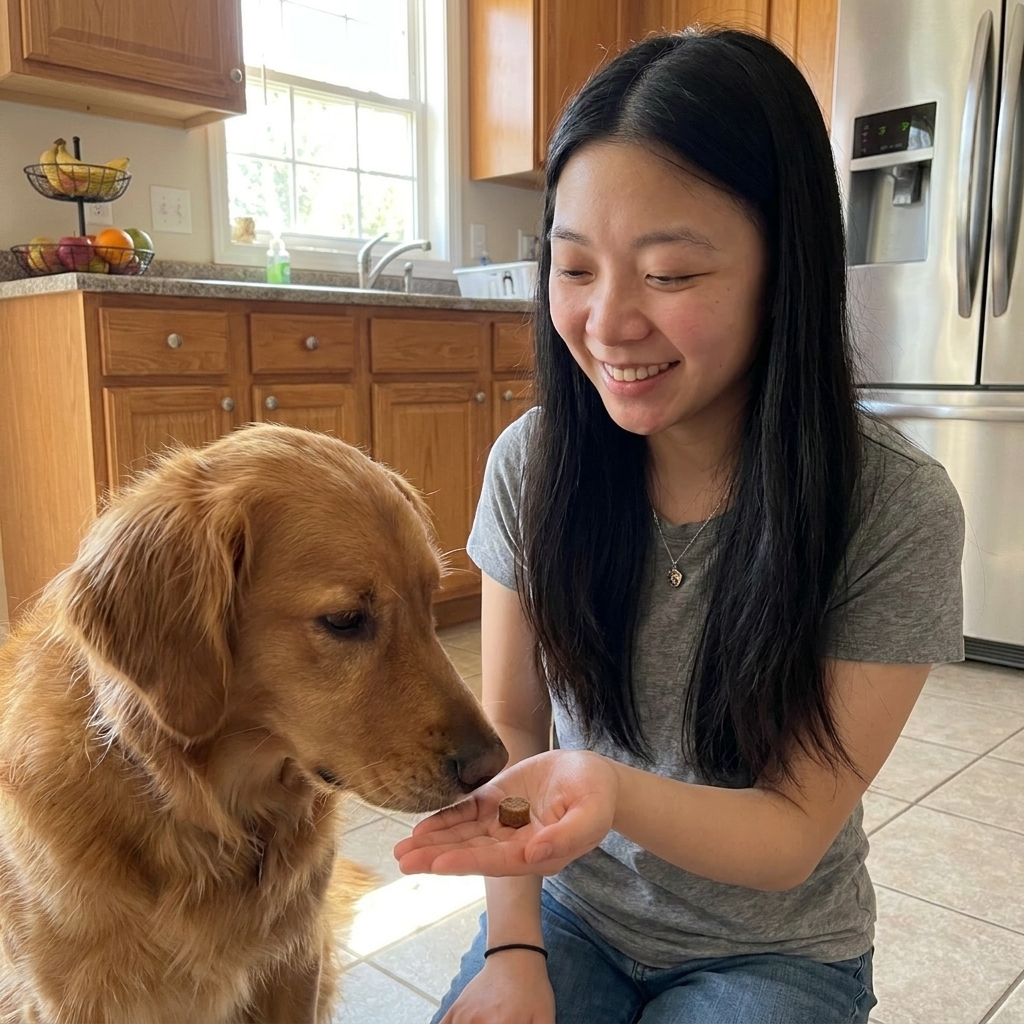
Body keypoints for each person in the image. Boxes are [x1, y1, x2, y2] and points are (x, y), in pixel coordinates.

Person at [395, 27, 964, 1024]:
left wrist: (608, 793)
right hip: (568, 912)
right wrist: (516, 947)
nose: (608, 323)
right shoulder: (533, 464)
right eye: (573, 270)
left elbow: (792, 830)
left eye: (668, 276)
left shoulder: (893, 508)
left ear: (782, 269)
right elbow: (517, 727)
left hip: (777, 949)